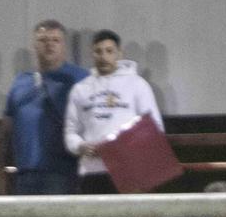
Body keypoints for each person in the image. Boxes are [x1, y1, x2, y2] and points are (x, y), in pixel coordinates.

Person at [64, 30, 163, 192]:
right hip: (92, 171)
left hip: (129, 170)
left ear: (119, 53)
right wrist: (81, 146)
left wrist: (122, 146)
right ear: (92, 54)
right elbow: (70, 132)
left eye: (109, 51)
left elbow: (155, 127)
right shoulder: (80, 90)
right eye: (98, 51)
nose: (103, 57)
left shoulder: (137, 85)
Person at [0, 20, 89, 195]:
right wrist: (1, 175)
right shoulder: (20, 82)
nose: (49, 45)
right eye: (43, 40)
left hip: (63, 173)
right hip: (25, 173)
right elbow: (5, 131)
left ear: (64, 46)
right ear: (34, 46)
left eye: (55, 40)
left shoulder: (80, 79)